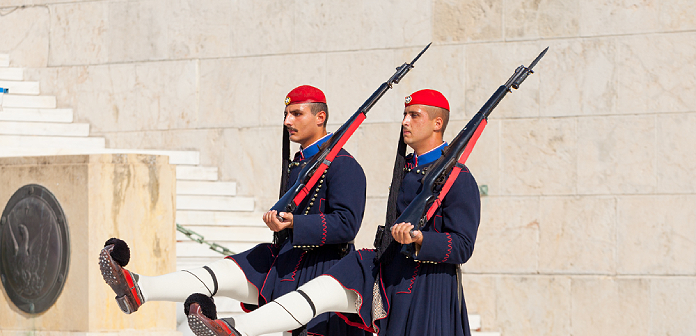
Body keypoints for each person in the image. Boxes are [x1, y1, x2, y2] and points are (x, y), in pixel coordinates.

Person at [185, 89, 481, 336]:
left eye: (414, 115)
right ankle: (233, 328)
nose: (404, 121)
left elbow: (463, 245)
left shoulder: (459, 178)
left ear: (437, 123)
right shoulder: (408, 169)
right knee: (321, 289)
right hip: (389, 270)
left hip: (429, 285)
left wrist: (420, 239)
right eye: (405, 114)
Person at [99, 85, 370, 336]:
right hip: (289, 259)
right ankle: (140, 288)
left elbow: (347, 224)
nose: (287, 121)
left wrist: (293, 224)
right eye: (286, 114)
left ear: (320, 117)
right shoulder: (300, 164)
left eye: (297, 114)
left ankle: (233, 329)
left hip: (322, 266)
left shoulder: (345, 166)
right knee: (225, 270)